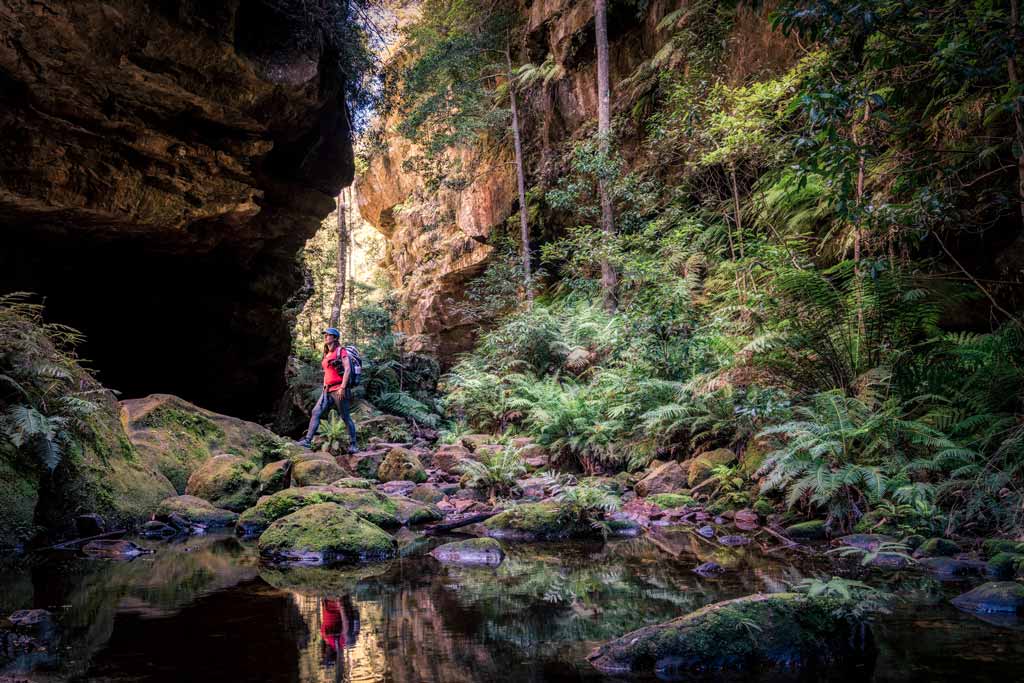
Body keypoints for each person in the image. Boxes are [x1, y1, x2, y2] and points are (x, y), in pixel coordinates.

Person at [298, 327, 358, 452]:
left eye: (328, 335)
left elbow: (347, 369)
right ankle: (308, 441)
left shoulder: (340, 351)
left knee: (345, 416)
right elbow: (327, 372)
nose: (325, 336)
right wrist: (325, 387)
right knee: (316, 412)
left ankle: (353, 445)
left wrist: (342, 387)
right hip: (327, 390)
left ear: (335, 338)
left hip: (339, 390)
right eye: (325, 335)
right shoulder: (327, 354)